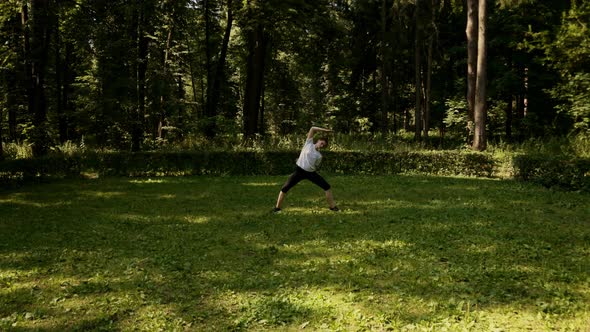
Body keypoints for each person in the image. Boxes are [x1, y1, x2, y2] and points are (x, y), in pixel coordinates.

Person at [273, 126, 339, 213]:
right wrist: (325, 130)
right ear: (318, 140)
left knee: (327, 187)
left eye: (323, 145)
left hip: (311, 173)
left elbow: (316, 165)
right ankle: (277, 208)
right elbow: (312, 129)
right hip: (299, 171)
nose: (322, 145)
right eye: (321, 143)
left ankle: (332, 207)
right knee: (285, 188)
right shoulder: (308, 143)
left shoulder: (319, 156)